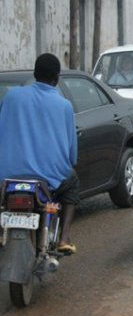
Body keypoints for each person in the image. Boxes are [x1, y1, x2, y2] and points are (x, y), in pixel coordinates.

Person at [0, 54, 78, 254]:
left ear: (35, 74)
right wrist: (70, 163)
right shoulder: (64, 106)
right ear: (56, 78)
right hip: (48, 177)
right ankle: (64, 238)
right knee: (73, 183)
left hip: (7, 176)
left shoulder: (11, 96)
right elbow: (72, 153)